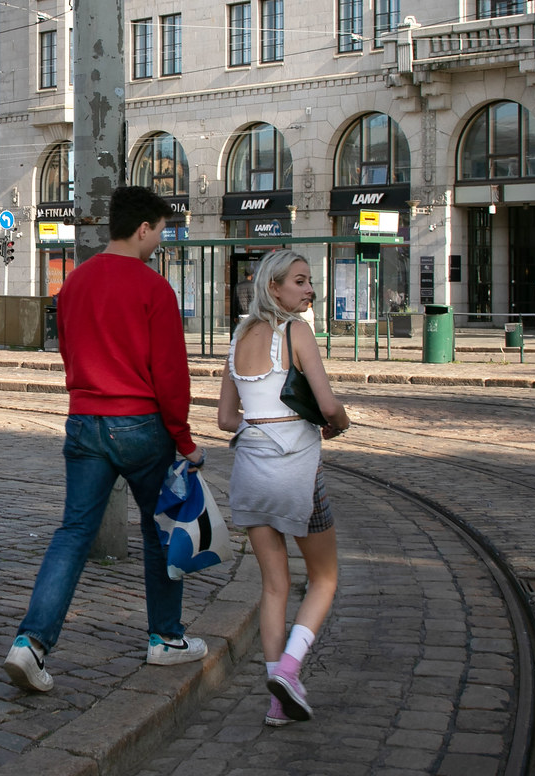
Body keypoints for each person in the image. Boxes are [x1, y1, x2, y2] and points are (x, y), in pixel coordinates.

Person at [3, 185, 208, 693]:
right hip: (141, 426)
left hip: (85, 419)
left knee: (72, 533)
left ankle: (30, 644)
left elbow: (68, 354)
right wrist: (184, 440)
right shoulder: (155, 289)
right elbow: (170, 376)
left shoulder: (74, 284)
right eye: (160, 231)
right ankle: (165, 638)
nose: (161, 240)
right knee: (160, 531)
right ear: (143, 229)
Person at [216, 249, 349, 728]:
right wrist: (340, 422)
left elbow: (226, 418)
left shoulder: (238, 336)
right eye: (300, 281)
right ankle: (290, 671)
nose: (309, 289)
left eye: (309, 281)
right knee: (325, 578)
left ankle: (277, 703)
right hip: (297, 472)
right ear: (274, 287)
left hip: (250, 473)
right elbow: (328, 404)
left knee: (273, 586)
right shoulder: (297, 331)